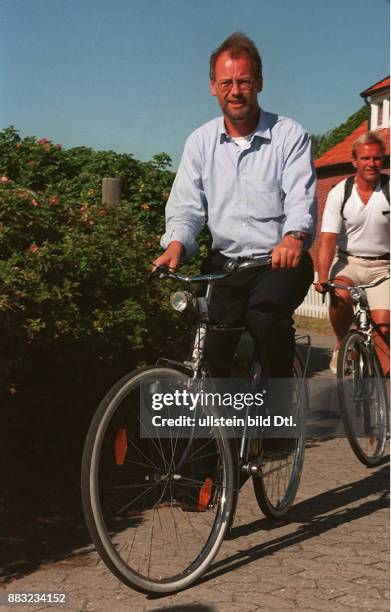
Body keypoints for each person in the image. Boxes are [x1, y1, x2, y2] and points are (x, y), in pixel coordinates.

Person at [153, 32, 316, 427]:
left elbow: (300, 198)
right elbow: (188, 209)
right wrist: (176, 244)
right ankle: (210, 469)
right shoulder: (200, 143)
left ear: (259, 82)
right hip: (227, 264)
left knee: (264, 317)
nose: (235, 91)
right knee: (210, 354)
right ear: (213, 87)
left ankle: (278, 413)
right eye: (226, 82)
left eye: (243, 81)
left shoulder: (288, 136)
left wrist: (294, 236)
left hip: (278, 261)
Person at [315, 132, 390, 375]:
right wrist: (323, 275)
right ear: (355, 161)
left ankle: (384, 396)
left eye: (377, 158)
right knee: (339, 294)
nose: (372, 163)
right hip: (349, 262)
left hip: (384, 266)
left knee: (383, 327)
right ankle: (341, 341)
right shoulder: (341, 192)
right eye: (366, 158)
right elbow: (327, 237)